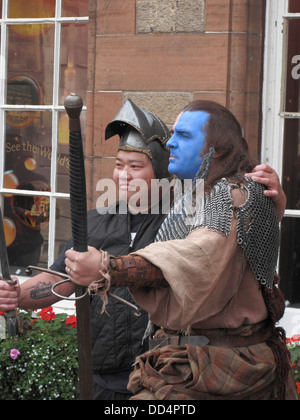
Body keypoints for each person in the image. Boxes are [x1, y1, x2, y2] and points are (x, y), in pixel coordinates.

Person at [0, 100, 288, 400]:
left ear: (161, 171)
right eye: (118, 165)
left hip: (188, 369)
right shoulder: (99, 222)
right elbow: (64, 276)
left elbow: (205, 252)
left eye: (135, 166)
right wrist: (19, 294)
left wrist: (273, 201)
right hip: (115, 375)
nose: (123, 175)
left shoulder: (196, 209)